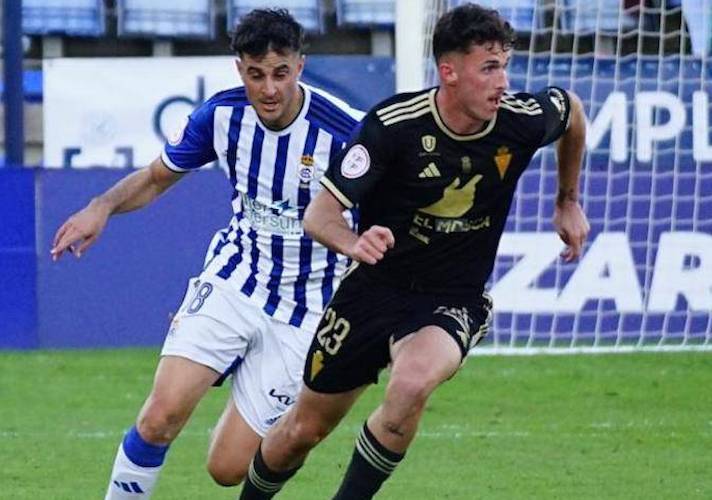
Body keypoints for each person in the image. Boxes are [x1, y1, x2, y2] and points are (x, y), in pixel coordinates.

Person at [238, 3, 590, 499]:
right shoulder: (393, 126)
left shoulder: (520, 121)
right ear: (449, 71)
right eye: (489, 67)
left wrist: (568, 199)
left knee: (411, 384)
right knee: (303, 431)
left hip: (453, 297)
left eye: (505, 65)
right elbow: (320, 216)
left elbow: (571, 109)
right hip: (374, 290)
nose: (503, 81)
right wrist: (354, 242)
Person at [50, 8, 363, 499]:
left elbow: (387, 213)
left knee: (227, 468)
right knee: (159, 416)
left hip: (306, 311)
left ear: (300, 66)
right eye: (256, 75)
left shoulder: (346, 133)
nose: (269, 89)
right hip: (235, 279)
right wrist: (102, 206)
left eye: (281, 73)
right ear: (240, 69)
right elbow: (157, 177)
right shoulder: (221, 116)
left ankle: (243, 372)